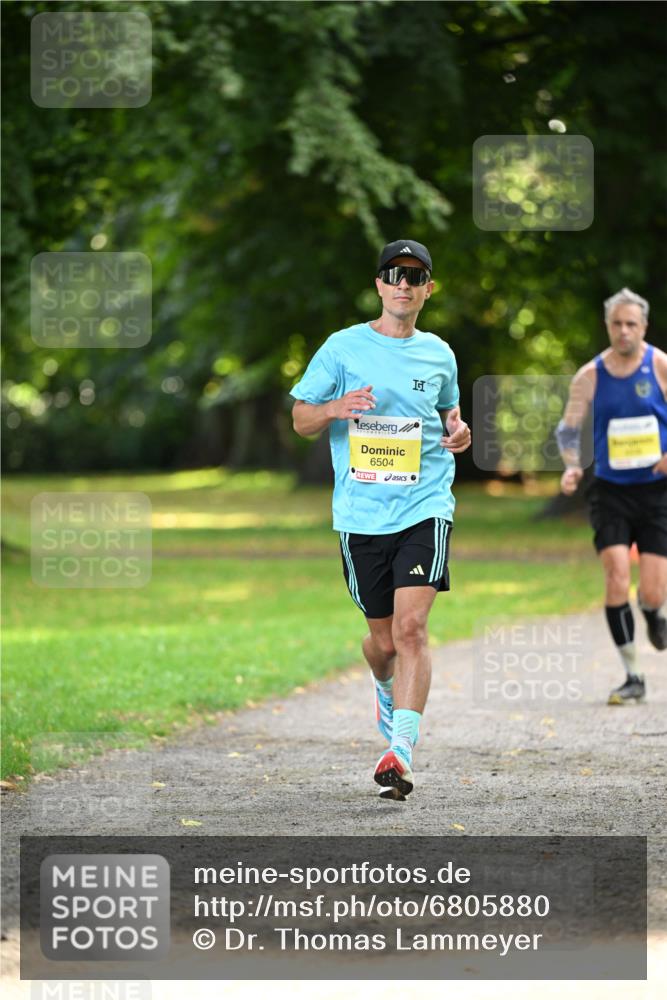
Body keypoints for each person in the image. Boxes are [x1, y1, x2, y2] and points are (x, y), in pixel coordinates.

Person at [290, 239, 470, 799]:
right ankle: (382, 684)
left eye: (415, 277)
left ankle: (401, 749)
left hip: (425, 506)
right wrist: (334, 409)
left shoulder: (439, 354)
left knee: (412, 629)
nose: (404, 284)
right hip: (361, 515)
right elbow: (300, 418)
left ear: (427, 290)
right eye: (395, 274)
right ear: (378, 284)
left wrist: (459, 434)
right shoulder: (341, 349)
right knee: (384, 643)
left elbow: (451, 419)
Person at [557, 288, 667, 704]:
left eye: (631, 324)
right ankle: (633, 675)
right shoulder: (590, 375)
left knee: (654, 591)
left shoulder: (659, 366)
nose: (624, 331)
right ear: (608, 326)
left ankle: (656, 615)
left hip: (656, 492)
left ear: (644, 327)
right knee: (617, 575)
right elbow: (568, 430)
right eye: (617, 324)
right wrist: (571, 464)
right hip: (610, 491)